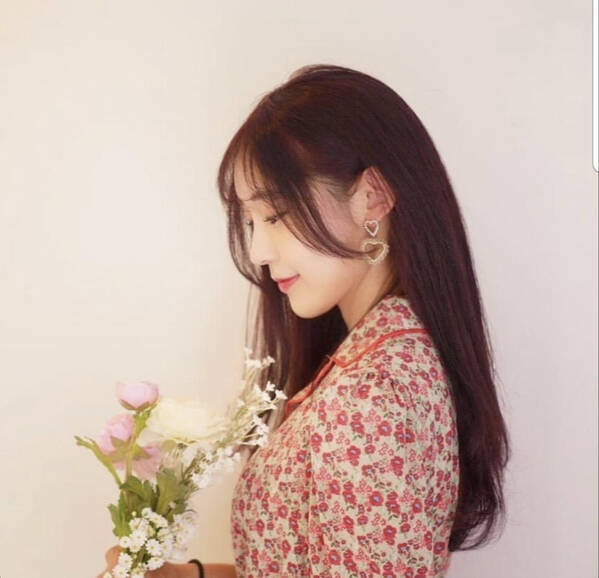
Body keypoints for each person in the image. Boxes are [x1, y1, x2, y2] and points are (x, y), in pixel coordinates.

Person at [99, 63, 510, 578]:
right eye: (250, 221)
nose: (258, 251)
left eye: (275, 215)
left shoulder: (372, 396)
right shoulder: (373, 360)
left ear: (372, 198)